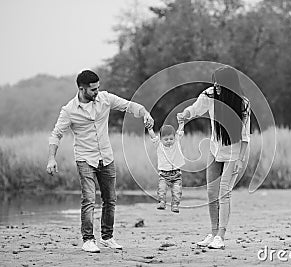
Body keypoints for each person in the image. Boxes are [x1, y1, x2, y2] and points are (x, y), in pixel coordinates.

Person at [46, 70, 154, 253]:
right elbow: (56, 134)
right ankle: (88, 239)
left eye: (98, 88)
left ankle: (107, 237)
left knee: (110, 199)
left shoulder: (105, 98)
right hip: (85, 158)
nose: (97, 92)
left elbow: (129, 106)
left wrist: (145, 113)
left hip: (106, 157)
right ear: (82, 89)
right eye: (93, 89)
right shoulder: (69, 110)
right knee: (88, 199)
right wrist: (51, 158)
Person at [177, 66, 250, 249]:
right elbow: (195, 109)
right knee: (211, 193)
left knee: (224, 194)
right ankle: (213, 232)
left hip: (233, 154)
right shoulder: (210, 95)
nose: (215, 85)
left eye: (219, 83)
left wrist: (240, 160)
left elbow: (245, 137)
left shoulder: (243, 104)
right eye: (214, 81)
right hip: (214, 149)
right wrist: (185, 114)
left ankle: (221, 237)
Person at [147, 122, 185, 213]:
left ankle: (175, 205)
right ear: (161, 139)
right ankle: (162, 202)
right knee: (162, 189)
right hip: (164, 174)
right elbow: (153, 137)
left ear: (174, 138)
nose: (169, 141)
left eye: (171, 139)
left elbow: (180, 131)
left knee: (177, 191)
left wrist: (181, 123)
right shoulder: (159, 145)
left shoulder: (176, 143)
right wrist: (150, 129)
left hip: (176, 173)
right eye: (166, 139)